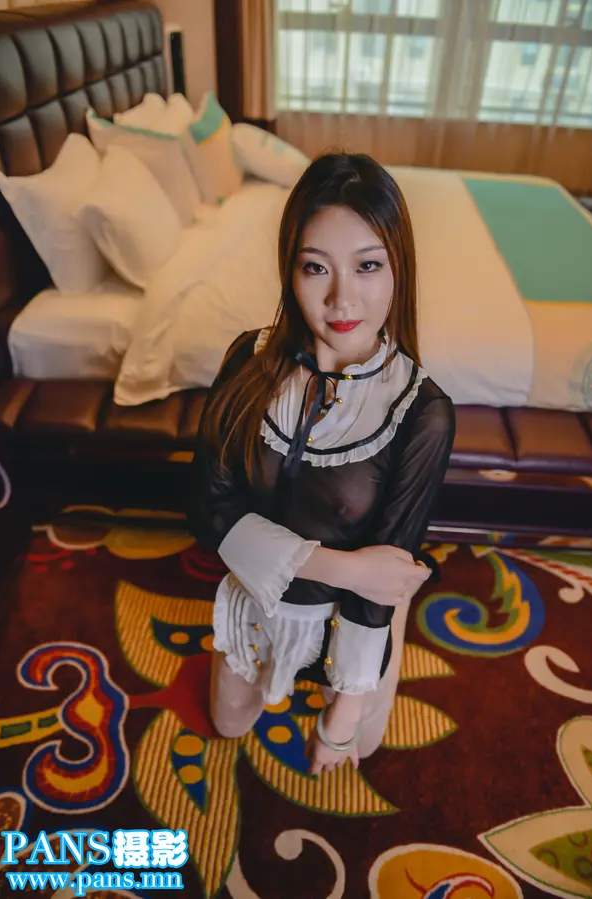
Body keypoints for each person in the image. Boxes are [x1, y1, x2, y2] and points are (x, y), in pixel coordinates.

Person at [189, 152, 455, 776]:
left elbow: (374, 585)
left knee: (360, 742)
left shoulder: (422, 412)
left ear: (398, 268)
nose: (342, 299)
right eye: (316, 267)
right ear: (290, 269)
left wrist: (341, 717)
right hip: (258, 600)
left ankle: (392, 611)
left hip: (357, 616)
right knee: (227, 724)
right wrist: (348, 568)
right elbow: (209, 511)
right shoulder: (248, 360)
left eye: (368, 265)